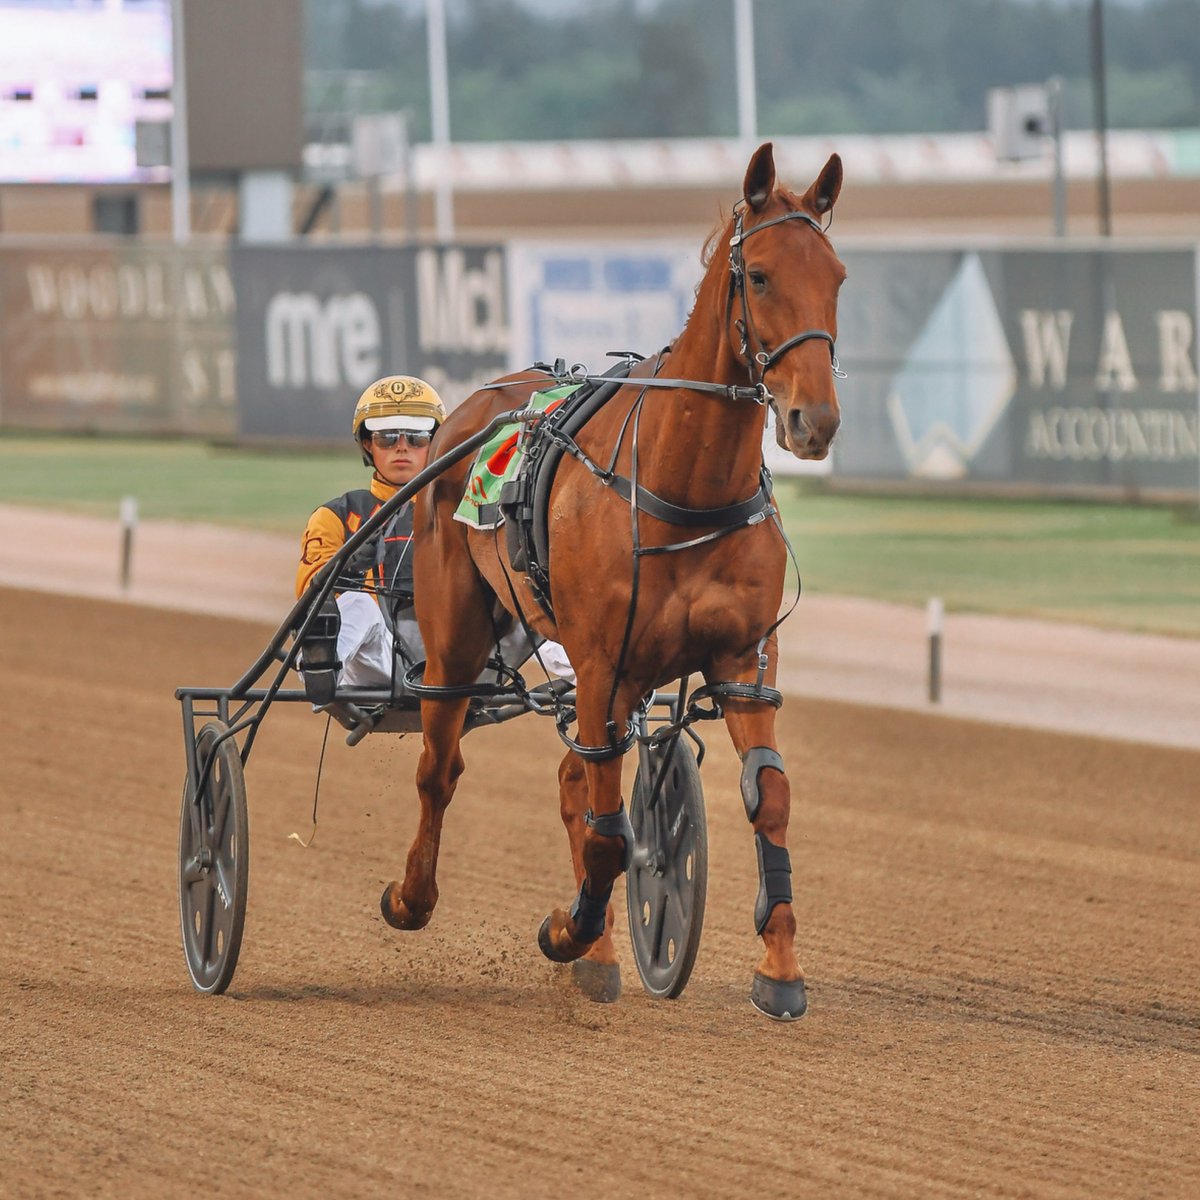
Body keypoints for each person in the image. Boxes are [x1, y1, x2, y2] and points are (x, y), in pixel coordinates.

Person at [295, 374, 573, 693]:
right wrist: (348, 568)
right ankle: (322, 670)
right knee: (357, 605)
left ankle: (611, 682)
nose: (402, 447)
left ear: (437, 441)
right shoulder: (337, 515)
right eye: (387, 437)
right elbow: (310, 598)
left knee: (530, 606)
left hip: (464, 658)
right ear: (368, 444)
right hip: (380, 659)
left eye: (416, 437)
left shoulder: (464, 505)